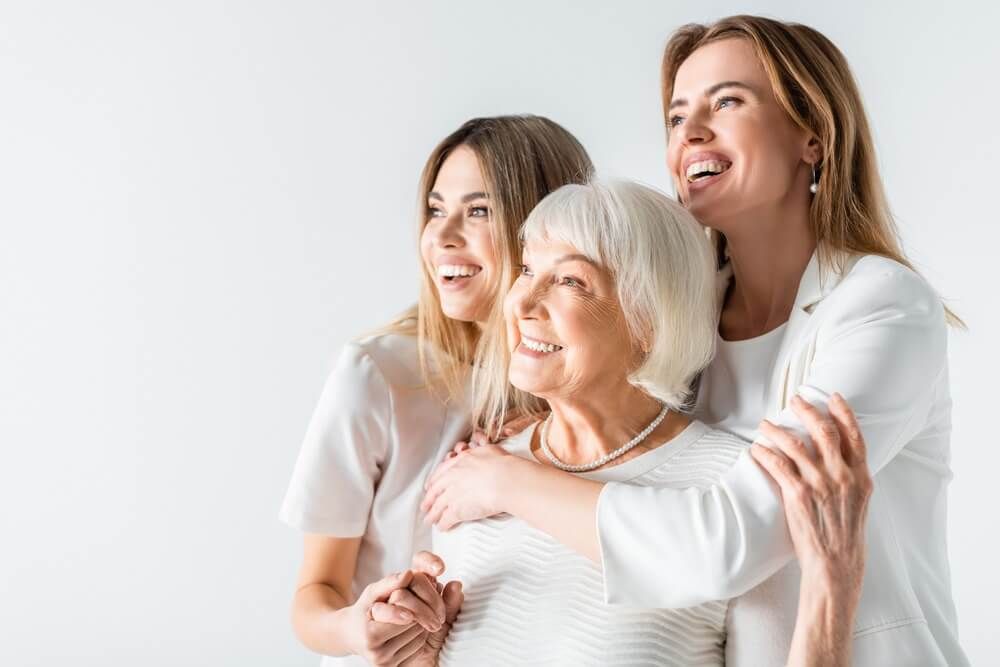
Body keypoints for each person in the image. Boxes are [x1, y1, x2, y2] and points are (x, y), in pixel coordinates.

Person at [423, 15, 966, 665]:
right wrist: (534, 432)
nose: (691, 134)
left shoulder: (881, 306)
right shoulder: (678, 313)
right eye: (677, 117)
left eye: (727, 102)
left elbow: (731, 541)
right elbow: (638, 439)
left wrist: (508, 481)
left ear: (813, 137)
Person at [426, 179, 873, 666]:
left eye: (571, 281)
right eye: (528, 269)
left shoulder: (737, 486)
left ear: (649, 322)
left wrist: (834, 583)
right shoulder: (470, 479)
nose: (524, 303)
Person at [279, 115, 595, 666]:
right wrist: (359, 627)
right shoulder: (377, 375)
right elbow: (313, 597)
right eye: (434, 209)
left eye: (478, 211)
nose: (443, 237)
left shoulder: (580, 387)